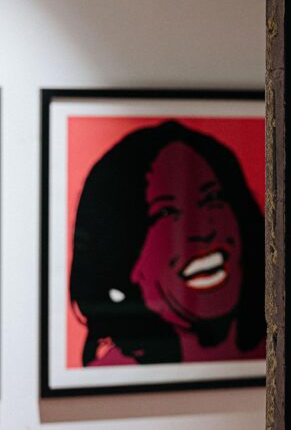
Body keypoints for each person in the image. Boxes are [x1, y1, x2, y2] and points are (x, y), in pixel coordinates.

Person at [69, 120, 265, 366]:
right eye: (166, 212)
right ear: (124, 259)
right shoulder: (110, 375)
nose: (204, 230)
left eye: (212, 198)